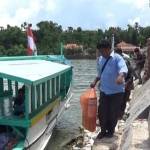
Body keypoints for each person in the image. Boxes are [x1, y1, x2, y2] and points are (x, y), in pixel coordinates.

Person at [90, 39, 128, 139]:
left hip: (117, 92)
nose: (102, 53)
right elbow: (100, 74)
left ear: (109, 49)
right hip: (104, 91)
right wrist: (95, 81)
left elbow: (123, 69)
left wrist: (121, 76)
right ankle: (103, 131)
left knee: (113, 112)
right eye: (100, 51)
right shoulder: (101, 59)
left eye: (103, 51)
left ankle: (110, 131)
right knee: (102, 112)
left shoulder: (117, 58)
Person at [115, 48, 134, 119]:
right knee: (120, 100)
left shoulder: (125, 62)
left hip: (126, 85)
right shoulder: (116, 62)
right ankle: (118, 114)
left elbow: (130, 76)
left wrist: (126, 84)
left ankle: (120, 115)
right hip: (121, 85)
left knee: (123, 100)